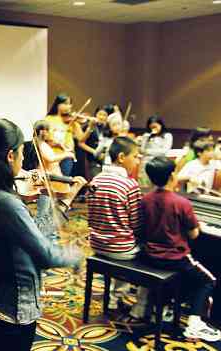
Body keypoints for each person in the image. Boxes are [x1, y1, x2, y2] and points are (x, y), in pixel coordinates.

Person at [0, 118, 82, 351]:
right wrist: (76, 256)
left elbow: (29, 235)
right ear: (10, 156)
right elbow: (46, 254)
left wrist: (62, 202)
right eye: (21, 153)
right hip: (15, 306)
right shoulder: (7, 203)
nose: (23, 159)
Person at [141, 156, 220, 341]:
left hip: (150, 255)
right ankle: (194, 323)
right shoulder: (182, 202)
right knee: (209, 279)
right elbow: (194, 235)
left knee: (191, 274)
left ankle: (166, 307)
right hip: (174, 258)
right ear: (171, 176)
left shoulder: (145, 199)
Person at [86, 136, 146, 313]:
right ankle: (139, 304)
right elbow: (137, 224)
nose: (138, 160)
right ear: (121, 157)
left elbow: (91, 217)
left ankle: (113, 296)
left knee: (121, 239)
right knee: (150, 250)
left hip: (96, 243)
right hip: (120, 250)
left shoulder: (96, 180)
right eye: (135, 156)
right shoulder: (130, 185)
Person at [45, 93, 95, 176]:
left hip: (67, 155)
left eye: (70, 104)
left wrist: (90, 127)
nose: (69, 106)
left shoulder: (73, 121)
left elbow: (81, 139)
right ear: (58, 104)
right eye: (65, 104)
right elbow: (45, 137)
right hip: (52, 154)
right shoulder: (49, 119)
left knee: (64, 179)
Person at [138, 115, 173, 187]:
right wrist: (145, 138)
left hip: (159, 163)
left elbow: (164, 151)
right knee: (144, 184)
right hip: (146, 162)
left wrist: (147, 151)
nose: (153, 129)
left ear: (161, 125)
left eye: (155, 127)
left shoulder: (167, 135)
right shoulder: (147, 135)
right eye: (151, 127)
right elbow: (141, 150)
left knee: (157, 185)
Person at [78, 106, 108, 179]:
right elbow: (81, 143)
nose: (102, 117)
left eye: (104, 115)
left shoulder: (107, 129)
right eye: (100, 114)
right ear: (95, 115)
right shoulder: (90, 126)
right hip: (91, 160)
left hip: (104, 161)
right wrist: (94, 152)